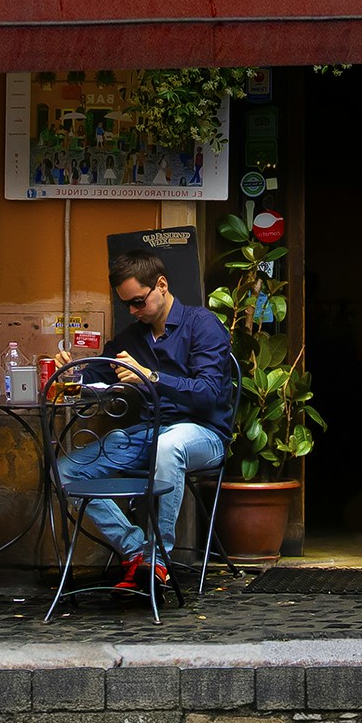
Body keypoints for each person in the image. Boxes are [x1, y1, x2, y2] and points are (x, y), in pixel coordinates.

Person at [52, 245, 234, 598]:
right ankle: (138, 550)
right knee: (64, 470)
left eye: (138, 302)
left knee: (169, 445)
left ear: (161, 285)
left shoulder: (202, 324)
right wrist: (71, 371)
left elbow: (210, 394)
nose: (134, 312)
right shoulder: (133, 336)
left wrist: (150, 376)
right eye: (127, 305)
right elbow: (98, 373)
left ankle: (157, 563)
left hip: (203, 433)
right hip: (147, 434)